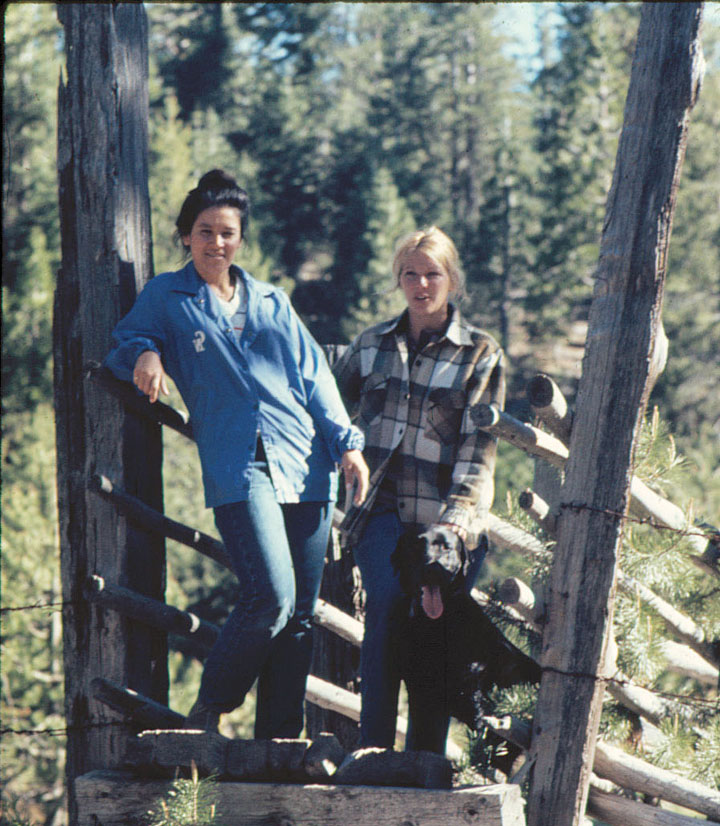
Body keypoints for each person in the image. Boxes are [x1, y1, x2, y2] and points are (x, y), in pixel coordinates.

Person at [104, 169, 369, 737]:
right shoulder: (168, 296)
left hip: (305, 461)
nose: (217, 243)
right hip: (239, 466)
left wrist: (347, 444)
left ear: (241, 239)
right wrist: (145, 355)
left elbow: (314, 377)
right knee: (270, 596)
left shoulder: (272, 300)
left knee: (300, 615)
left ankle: (278, 740)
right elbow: (125, 341)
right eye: (205, 232)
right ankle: (208, 714)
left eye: (228, 233)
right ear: (186, 236)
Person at [333, 227, 505, 753]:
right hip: (380, 510)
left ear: (451, 279)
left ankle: (426, 762)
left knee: (436, 633)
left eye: (432, 274)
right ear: (398, 279)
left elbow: (479, 445)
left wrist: (456, 517)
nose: (421, 284)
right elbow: (330, 406)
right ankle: (373, 753)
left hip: (445, 519)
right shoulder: (371, 345)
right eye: (410, 274)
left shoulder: (479, 353)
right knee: (386, 611)